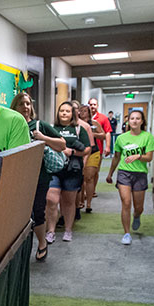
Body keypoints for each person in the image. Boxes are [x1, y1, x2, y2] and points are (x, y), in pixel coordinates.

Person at [10, 91, 65, 262]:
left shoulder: (40, 125)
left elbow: (62, 144)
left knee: (37, 212)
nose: (25, 107)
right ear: (15, 107)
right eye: (22, 104)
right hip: (17, 178)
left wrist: (43, 138)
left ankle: (42, 243)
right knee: (19, 215)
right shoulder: (11, 125)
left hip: (39, 178)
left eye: (28, 104)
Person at [104, 109, 154, 245]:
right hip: (124, 173)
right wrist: (110, 173)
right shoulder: (121, 138)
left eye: (138, 118)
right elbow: (116, 157)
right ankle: (126, 233)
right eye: (132, 118)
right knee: (126, 203)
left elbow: (149, 158)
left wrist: (138, 156)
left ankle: (137, 216)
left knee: (139, 207)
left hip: (140, 174)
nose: (134, 121)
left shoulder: (147, 137)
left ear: (142, 121)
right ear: (128, 121)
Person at [45, 101, 90, 244]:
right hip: (54, 168)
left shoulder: (78, 129)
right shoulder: (51, 128)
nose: (64, 113)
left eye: (67, 111)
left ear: (73, 114)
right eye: (62, 111)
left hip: (72, 170)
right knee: (51, 199)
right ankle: (50, 231)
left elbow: (87, 149)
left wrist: (72, 152)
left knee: (69, 202)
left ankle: (68, 230)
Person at [80, 101, 109, 213]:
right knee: (81, 179)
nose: (83, 113)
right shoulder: (76, 124)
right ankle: (81, 200)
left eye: (85, 111)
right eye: (81, 111)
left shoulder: (94, 123)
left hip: (93, 152)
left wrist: (92, 134)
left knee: (89, 177)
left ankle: (89, 203)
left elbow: (103, 135)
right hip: (81, 152)